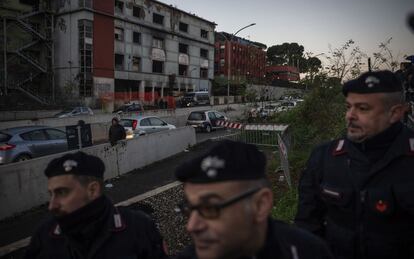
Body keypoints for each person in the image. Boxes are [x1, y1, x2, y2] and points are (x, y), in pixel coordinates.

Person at [295, 70, 414, 259]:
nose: (350, 116)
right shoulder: (324, 157)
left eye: (363, 108)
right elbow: (307, 225)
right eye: (348, 107)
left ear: (395, 113)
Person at [175, 140, 333, 259]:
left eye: (209, 208)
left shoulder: (308, 251)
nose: (192, 226)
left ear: (261, 204)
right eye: (189, 208)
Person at [24, 151, 168, 259]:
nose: (52, 205)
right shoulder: (44, 235)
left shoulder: (138, 228)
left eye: (62, 192)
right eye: (51, 194)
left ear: (92, 190)